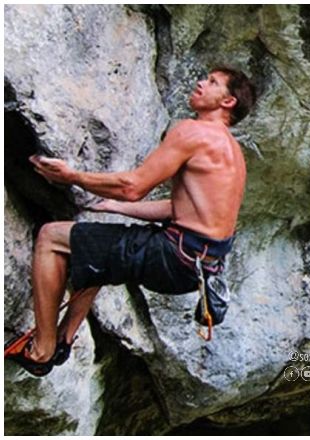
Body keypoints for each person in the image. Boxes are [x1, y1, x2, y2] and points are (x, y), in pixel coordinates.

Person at [6, 66, 256, 376]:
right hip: (197, 268)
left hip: (172, 255)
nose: (200, 83)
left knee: (50, 237)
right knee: (100, 248)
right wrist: (115, 208)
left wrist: (74, 177)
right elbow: (178, 208)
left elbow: (133, 186)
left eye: (212, 82)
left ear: (228, 101)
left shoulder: (193, 131)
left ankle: (41, 351)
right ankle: (64, 338)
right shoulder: (233, 152)